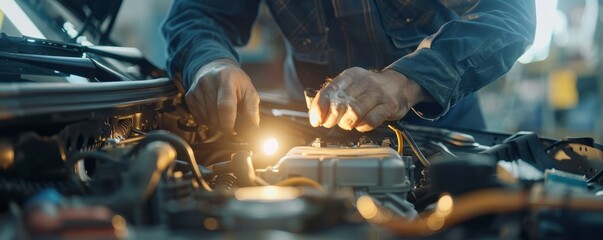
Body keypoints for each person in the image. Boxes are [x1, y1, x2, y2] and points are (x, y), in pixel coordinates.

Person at [161, 0, 535, 135]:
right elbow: (198, 13)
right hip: (312, 128)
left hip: (440, 129)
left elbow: (510, 14)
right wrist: (211, 63)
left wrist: (405, 81)